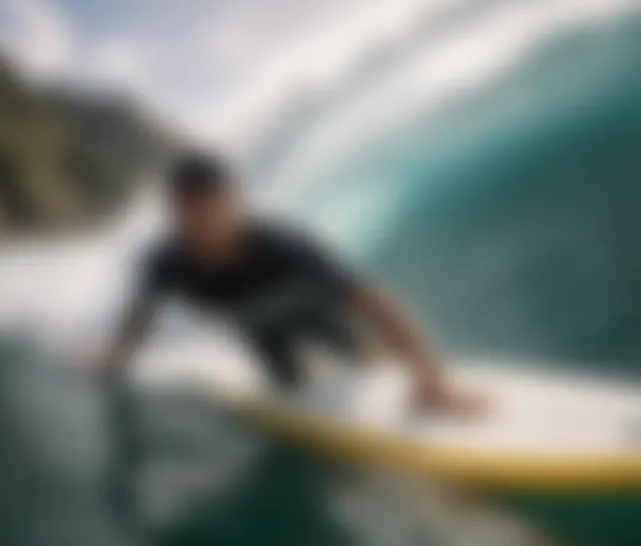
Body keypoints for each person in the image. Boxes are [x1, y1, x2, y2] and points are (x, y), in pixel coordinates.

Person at [89, 152, 482, 415]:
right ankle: (311, 366)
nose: (202, 224)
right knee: (291, 389)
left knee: (356, 353)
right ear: (174, 218)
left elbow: (373, 299)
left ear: (234, 203)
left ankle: (373, 353)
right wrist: (116, 356)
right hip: (255, 326)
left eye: (211, 207)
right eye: (189, 214)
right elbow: (140, 315)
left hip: (308, 310)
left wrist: (432, 381)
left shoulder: (283, 245)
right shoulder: (165, 264)